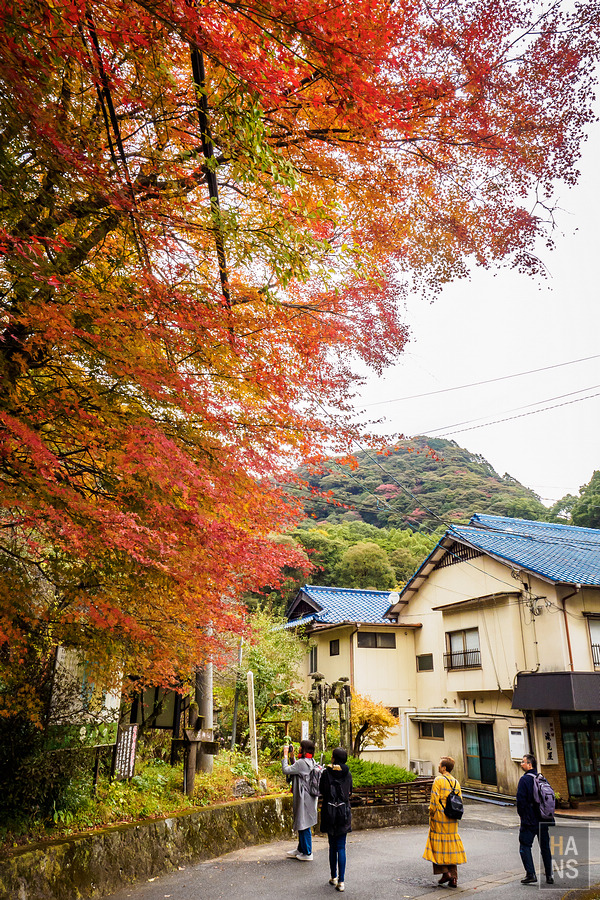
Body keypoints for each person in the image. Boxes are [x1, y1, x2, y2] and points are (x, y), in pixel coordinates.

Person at [423, 756, 466, 888]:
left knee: (438, 846)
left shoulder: (438, 780)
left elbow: (434, 801)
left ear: (444, 768)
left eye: (440, 765)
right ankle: (453, 878)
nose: (438, 767)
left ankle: (445, 873)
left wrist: (431, 814)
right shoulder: (456, 782)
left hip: (440, 818)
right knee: (450, 847)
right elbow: (460, 801)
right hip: (452, 819)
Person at [517, 753, 554, 885]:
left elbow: (520, 801)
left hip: (530, 820)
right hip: (544, 819)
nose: (521, 764)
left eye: (523, 762)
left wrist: (523, 816)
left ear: (529, 765)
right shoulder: (542, 778)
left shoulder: (524, 780)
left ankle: (531, 873)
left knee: (525, 845)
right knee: (545, 847)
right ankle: (549, 875)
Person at [319, 747, 353, 892]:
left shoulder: (326, 773)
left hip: (329, 811)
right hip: (343, 812)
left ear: (334, 758)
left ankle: (333, 876)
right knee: (341, 846)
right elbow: (350, 791)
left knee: (332, 846)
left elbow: (322, 790)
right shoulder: (348, 774)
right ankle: (342, 881)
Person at [282, 738, 319, 860]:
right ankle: (301, 849)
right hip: (309, 798)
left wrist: (286, 756)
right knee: (302, 822)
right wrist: (293, 757)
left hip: (304, 798)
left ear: (304, 749)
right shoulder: (310, 761)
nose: (298, 748)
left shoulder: (302, 763)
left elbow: (286, 770)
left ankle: (307, 853)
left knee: (304, 824)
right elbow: (297, 768)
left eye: (300, 747)